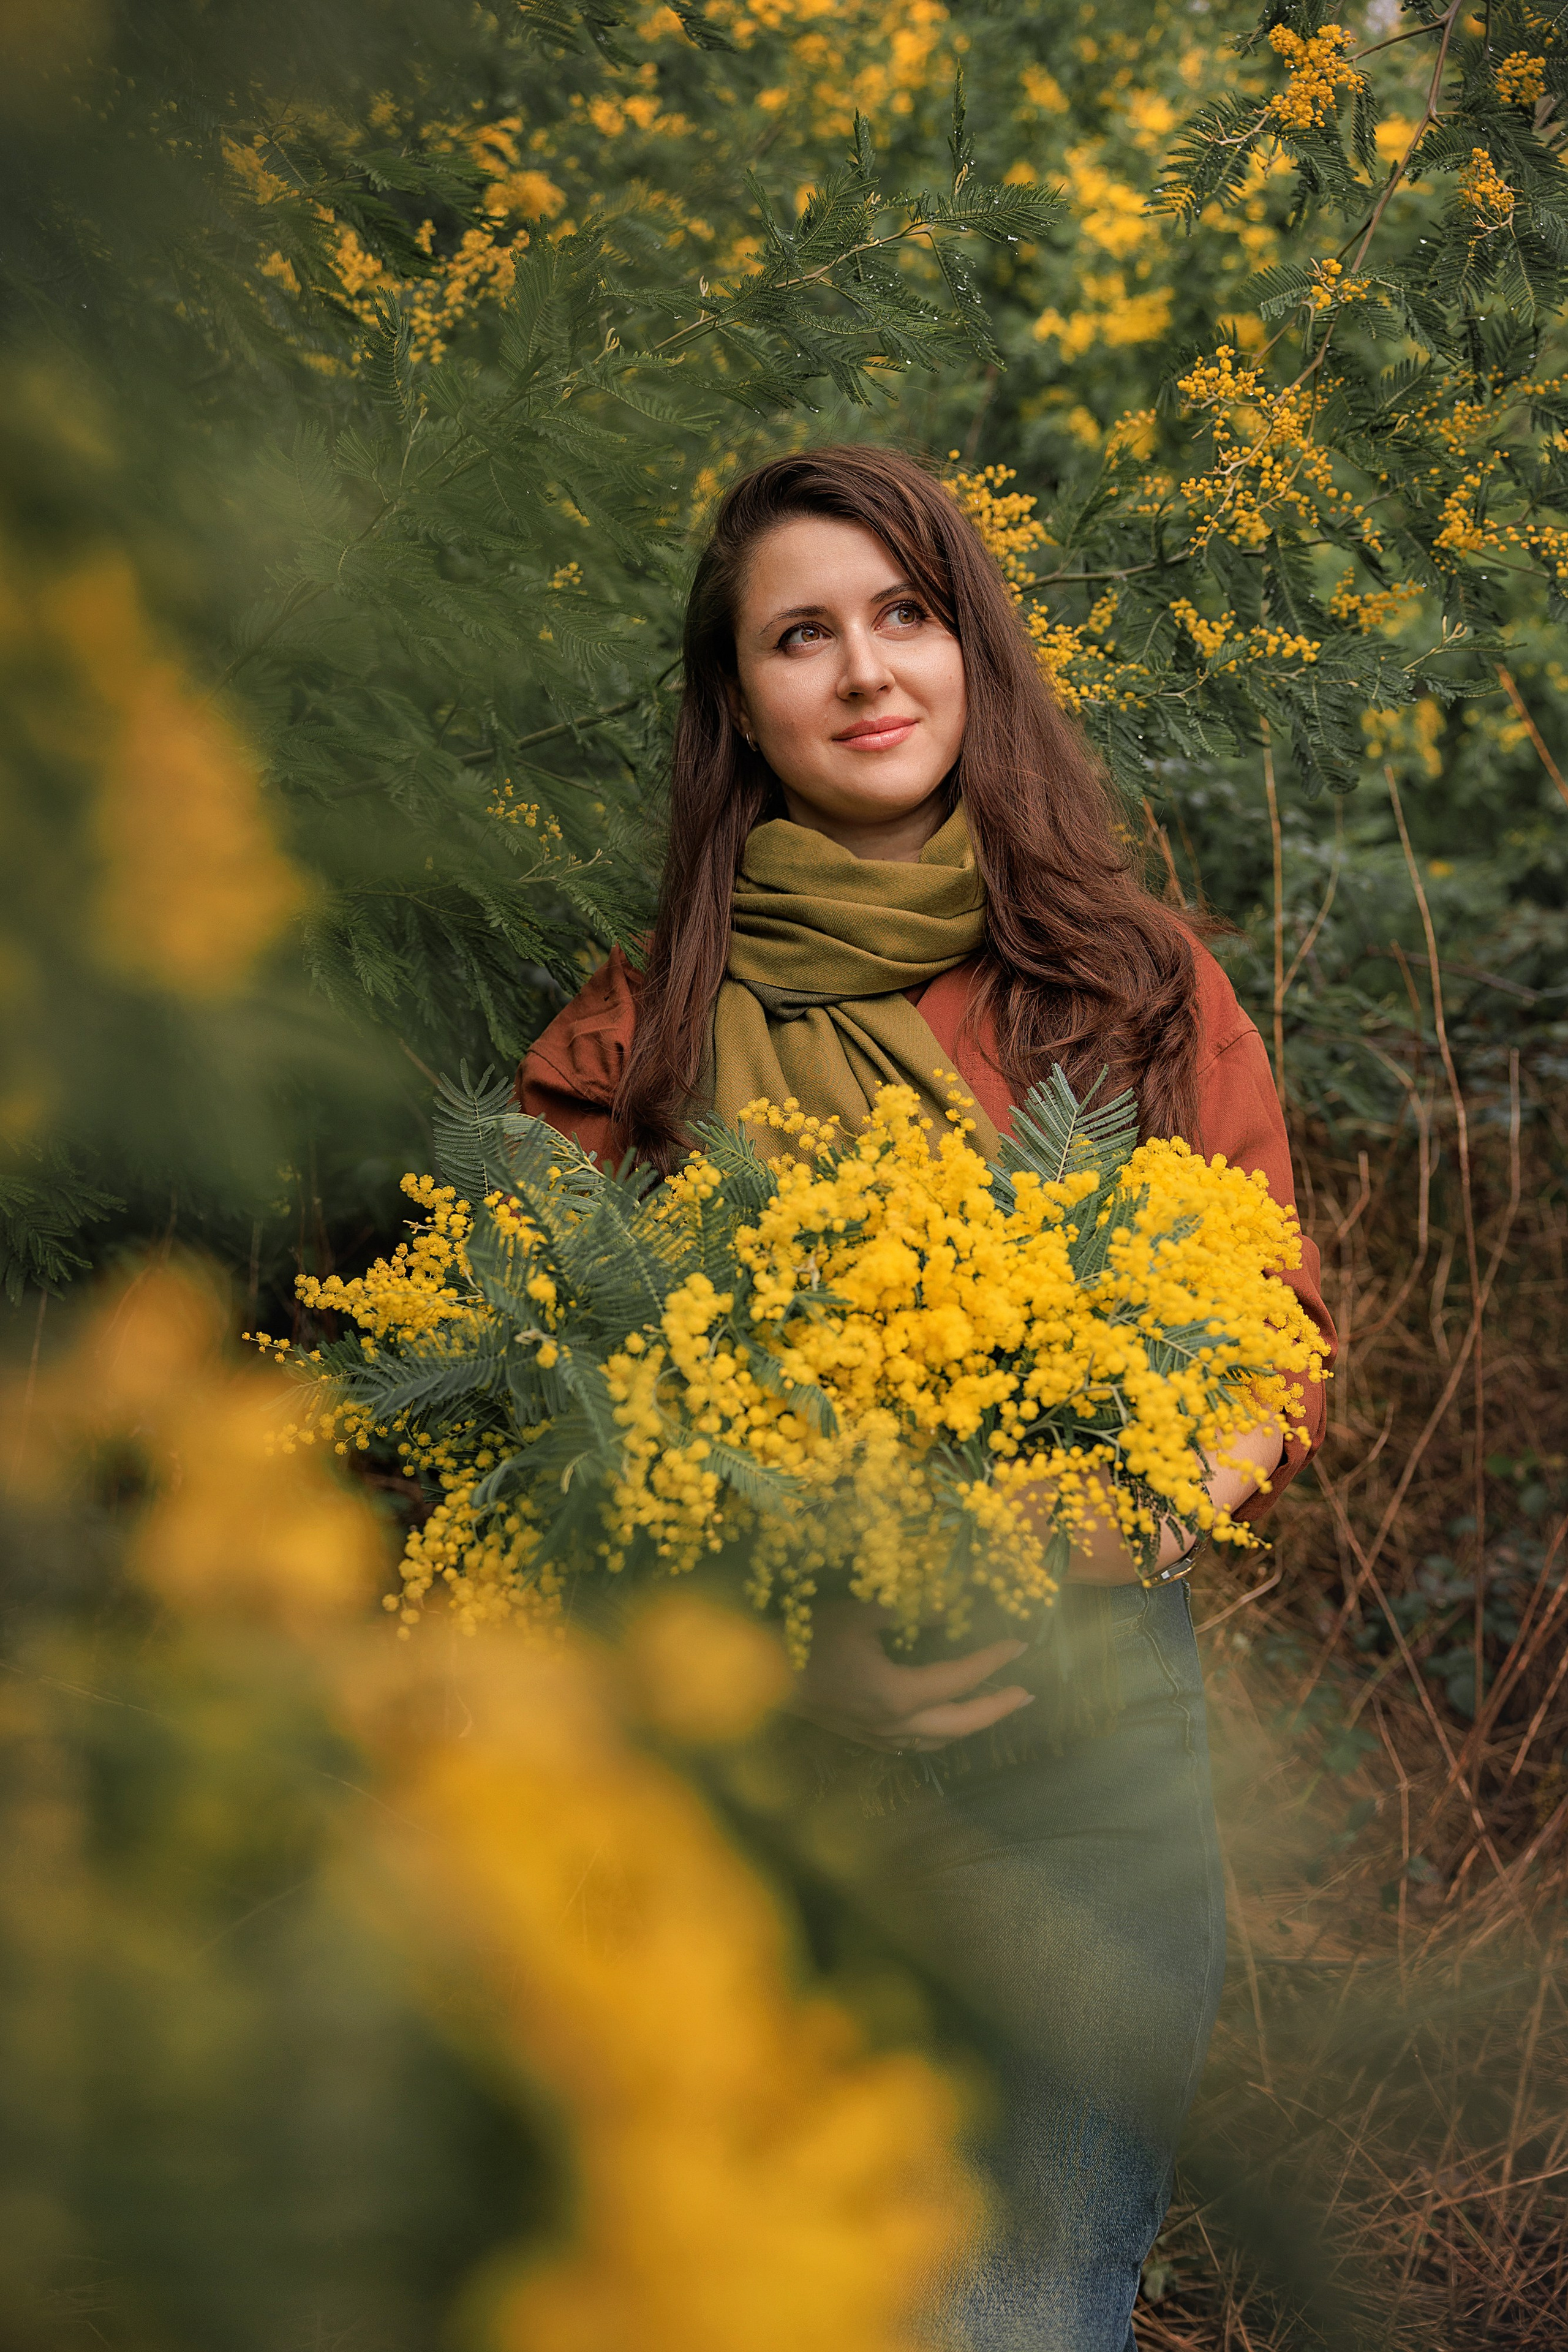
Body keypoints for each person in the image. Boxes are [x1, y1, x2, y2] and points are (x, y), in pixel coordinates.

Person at [517, 445, 1336, 2351]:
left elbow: (1267, 1332)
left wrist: (1077, 1537)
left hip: (1080, 1767)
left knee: (1020, 2318)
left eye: (908, 616)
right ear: (738, 703)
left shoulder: (1128, 993)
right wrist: (789, 1656)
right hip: (751, 1781)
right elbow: (533, 1440)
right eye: (802, 635)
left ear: (976, 654)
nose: (868, 672)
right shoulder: (633, 1044)